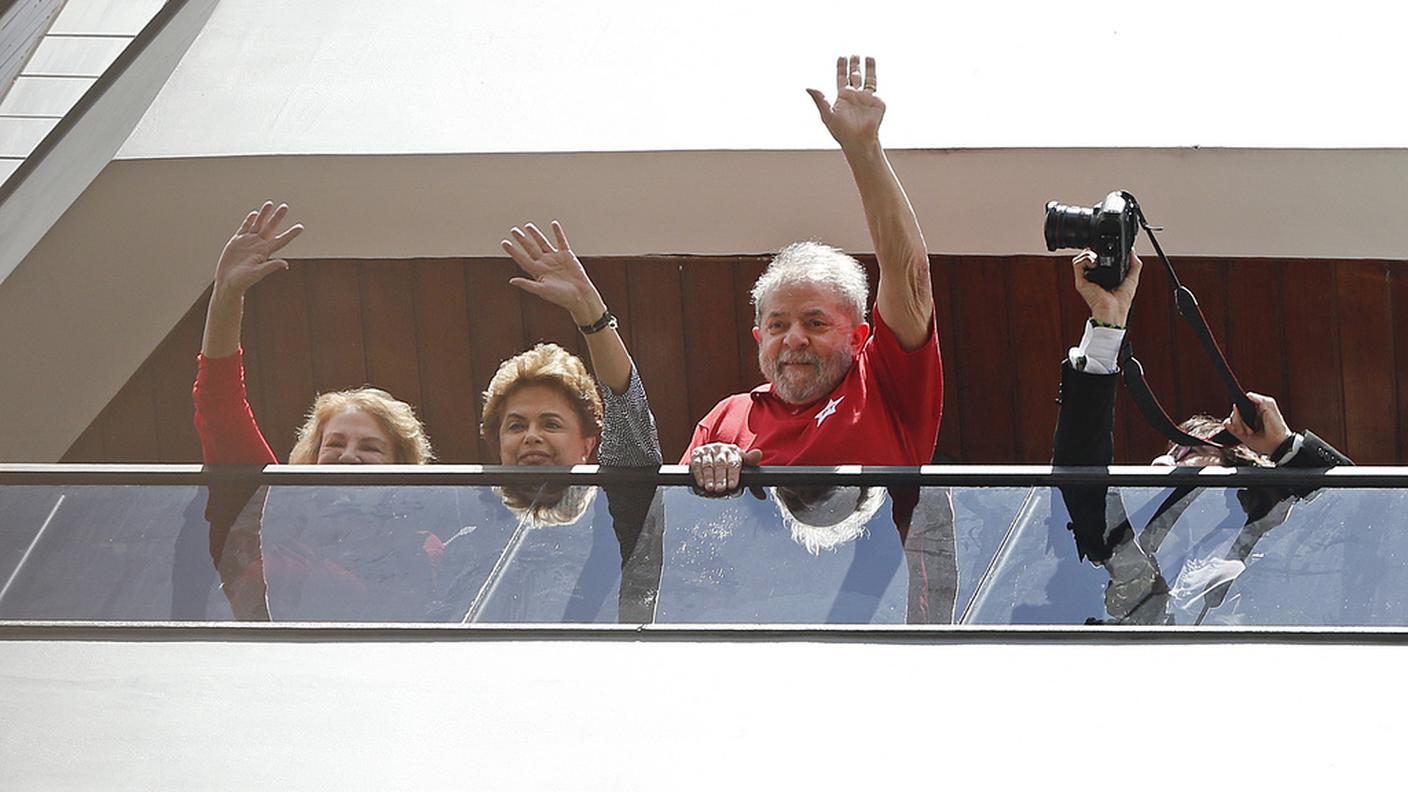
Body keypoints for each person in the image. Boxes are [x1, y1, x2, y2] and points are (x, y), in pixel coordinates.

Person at [685, 56, 943, 494]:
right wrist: (708, 466)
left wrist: (864, 150)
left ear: (859, 338)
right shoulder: (724, 420)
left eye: (816, 322)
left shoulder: (884, 386)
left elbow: (910, 274)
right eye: (777, 325)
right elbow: (688, 542)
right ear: (758, 339)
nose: (794, 339)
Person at [1053, 248, 1353, 624]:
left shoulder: (1275, 541)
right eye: (1171, 454)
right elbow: (1077, 477)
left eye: (1188, 452)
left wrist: (1285, 447)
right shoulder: (1130, 548)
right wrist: (1107, 324)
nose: (1167, 462)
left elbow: (1357, 519)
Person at [193, 202, 437, 620]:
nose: (348, 455)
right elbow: (219, 403)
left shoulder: (427, 546)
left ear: (402, 466)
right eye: (335, 442)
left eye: (371, 447)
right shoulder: (265, 508)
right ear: (311, 455)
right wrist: (226, 294)